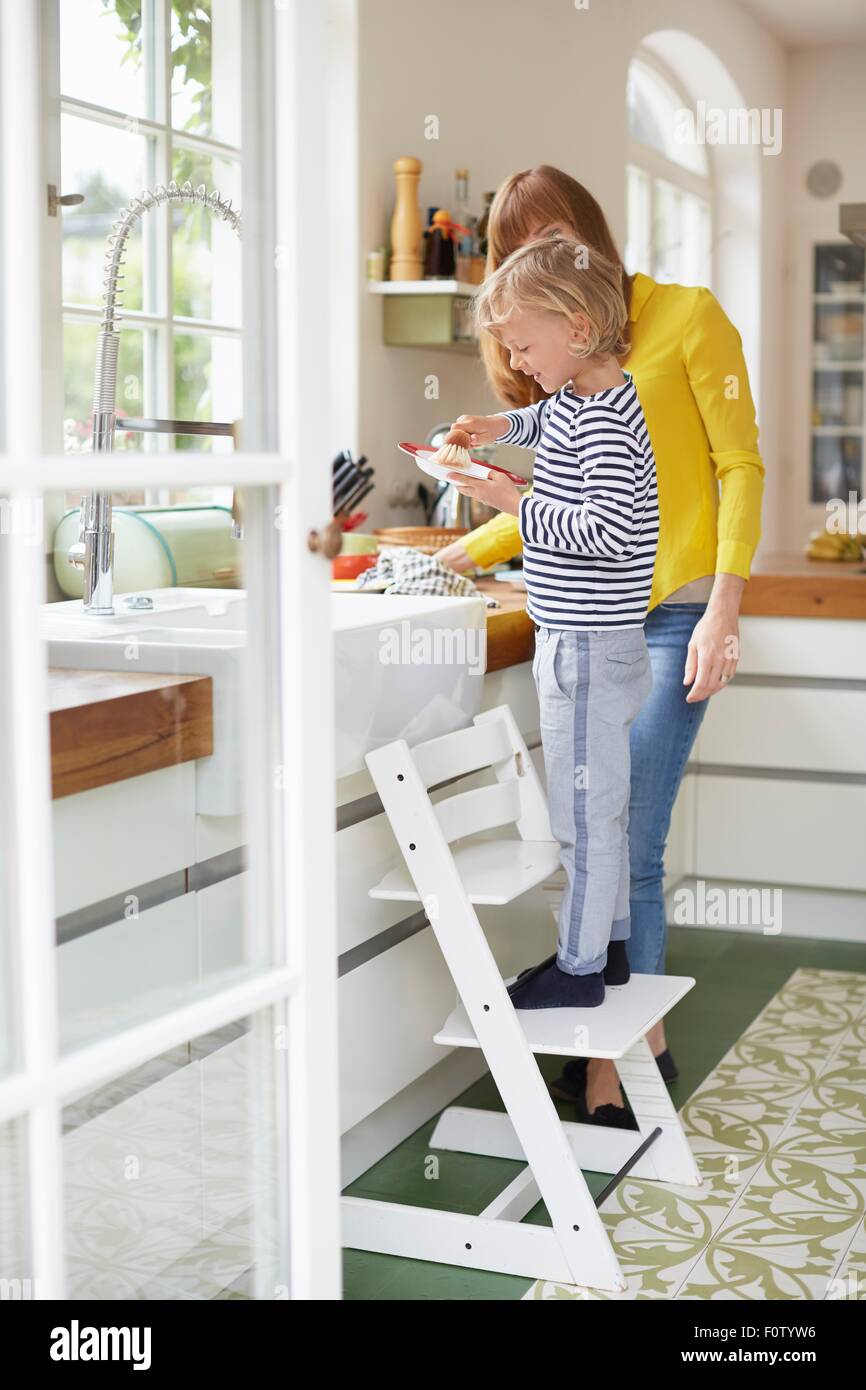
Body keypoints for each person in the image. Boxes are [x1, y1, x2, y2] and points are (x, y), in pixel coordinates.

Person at [434, 166, 764, 1126]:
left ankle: (616, 1062)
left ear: (593, 241)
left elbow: (738, 463)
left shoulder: (686, 316)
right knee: (603, 834)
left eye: (555, 245)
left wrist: (725, 609)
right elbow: (565, 484)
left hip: (678, 612)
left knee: (633, 839)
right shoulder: (559, 365)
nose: (540, 265)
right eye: (520, 253)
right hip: (593, 615)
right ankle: (632, 1038)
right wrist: (462, 546)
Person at [443, 235, 658, 1011]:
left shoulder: (600, 425)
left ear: (575, 329)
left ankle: (576, 971)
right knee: (606, 807)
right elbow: (545, 427)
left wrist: (509, 502)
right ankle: (613, 951)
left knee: (582, 817)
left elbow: (601, 530)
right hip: (600, 644)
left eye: (524, 345)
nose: (520, 362)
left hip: (587, 650)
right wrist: (495, 429)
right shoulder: (591, 397)